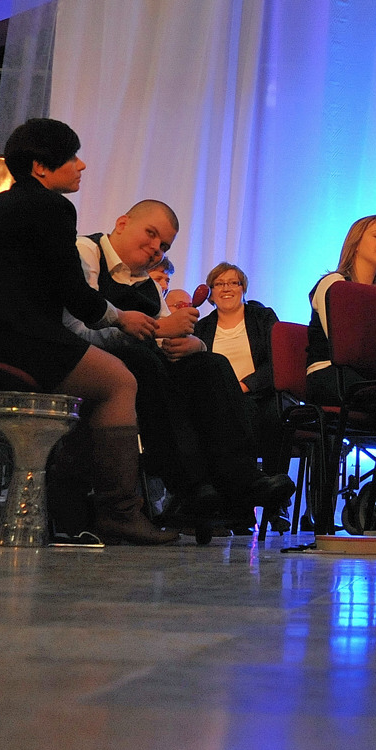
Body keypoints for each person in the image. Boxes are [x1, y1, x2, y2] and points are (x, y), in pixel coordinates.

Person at [0, 119, 175, 545]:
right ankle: (119, 513)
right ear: (41, 167)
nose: (82, 165)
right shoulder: (51, 207)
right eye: (72, 157)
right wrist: (121, 318)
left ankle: (71, 506)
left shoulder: (6, 204)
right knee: (119, 381)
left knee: (97, 379)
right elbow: (71, 290)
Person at [66, 200, 294, 521]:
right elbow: (80, 328)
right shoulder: (87, 252)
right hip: (95, 363)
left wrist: (193, 344)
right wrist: (159, 330)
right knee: (144, 363)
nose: (156, 250)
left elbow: (166, 338)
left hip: (145, 364)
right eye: (151, 234)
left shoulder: (146, 283)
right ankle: (191, 485)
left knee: (212, 365)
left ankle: (242, 478)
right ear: (122, 223)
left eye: (164, 246)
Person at [192, 261, 298, 497]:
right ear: (210, 292)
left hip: (262, 394)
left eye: (233, 282)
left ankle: (273, 495)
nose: (226, 288)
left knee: (273, 414)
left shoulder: (263, 317)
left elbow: (277, 361)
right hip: (220, 401)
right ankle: (235, 494)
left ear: (243, 288)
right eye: (219, 284)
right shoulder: (202, 328)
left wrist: (243, 386)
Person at [306, 214, 376, 406]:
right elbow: (346, 346)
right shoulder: (334, 284)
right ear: (356, 244)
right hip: (329, 373)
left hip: (365, 373)